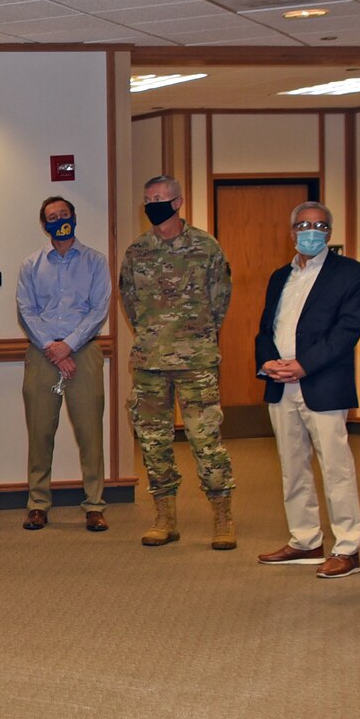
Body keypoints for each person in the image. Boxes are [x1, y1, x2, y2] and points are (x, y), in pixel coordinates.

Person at [121, 174, 236, 549]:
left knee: (206, 441)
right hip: (150, 361)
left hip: (195, 361)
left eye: (160, 197)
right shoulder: (137, 251)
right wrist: (156, 336)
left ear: (178, 202)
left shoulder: (206, 247)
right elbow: (130, 303)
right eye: (148, 197)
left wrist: (193, 337)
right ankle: (164, 518)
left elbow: (220, 299)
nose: (153, 203)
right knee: (154, 442)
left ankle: (222, 517)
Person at [254, 202, 360, 578]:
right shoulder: (278, 277)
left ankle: (348, 548)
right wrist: (268, 362)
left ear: (329, 233)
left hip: (323, 382)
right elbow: (265, 329)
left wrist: (304, 364)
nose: (311, 231)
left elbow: (347, 330)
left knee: (336, 467)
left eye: (320, 226)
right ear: (291, 233)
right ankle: (305, 541)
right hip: (280, 385)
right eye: (303, 225)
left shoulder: (350, 274)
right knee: (292, 466)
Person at [17, 196, 111, 531]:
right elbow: (26, 310)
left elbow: (99, 309)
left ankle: (95, 505)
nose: (59, 220)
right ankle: (38, 504)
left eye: (64, 214)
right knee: (40, 432)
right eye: (52, 217)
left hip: (83, 354)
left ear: (74, 217)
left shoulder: (96, 262)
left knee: (90, 433)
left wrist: (69, 346)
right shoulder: (31, 264)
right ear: (44, 225)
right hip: (42, 355)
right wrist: (52, 348)